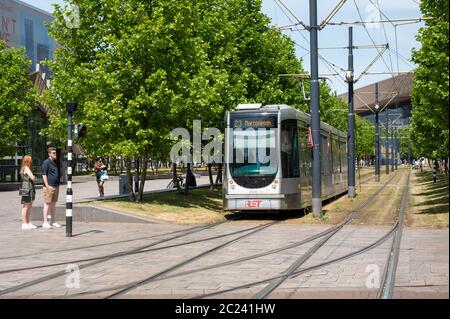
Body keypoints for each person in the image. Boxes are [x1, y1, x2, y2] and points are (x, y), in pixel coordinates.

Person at [42, 147, 61, 229]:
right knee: (47, 204)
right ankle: (45, 222)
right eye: (53, 153)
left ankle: (53, 221)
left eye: (55, 153)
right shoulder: (46, 162)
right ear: (49, 154)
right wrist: (47, 186)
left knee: (53, 204)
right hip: (49, 186)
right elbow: (44, 174)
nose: (55, 154)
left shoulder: (55, 162)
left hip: (56, 185)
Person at [20, 155, 37, 230]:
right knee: (26, 205)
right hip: (27, 187)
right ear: (28, 161)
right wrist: (33, 176)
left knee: (29, 205)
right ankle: (24, 223)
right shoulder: (26, 168)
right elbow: (33, 177)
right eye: (30, 160)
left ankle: (27, 222)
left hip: (27, 187)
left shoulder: (24, 168)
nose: (31, 161)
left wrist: (32, 177)